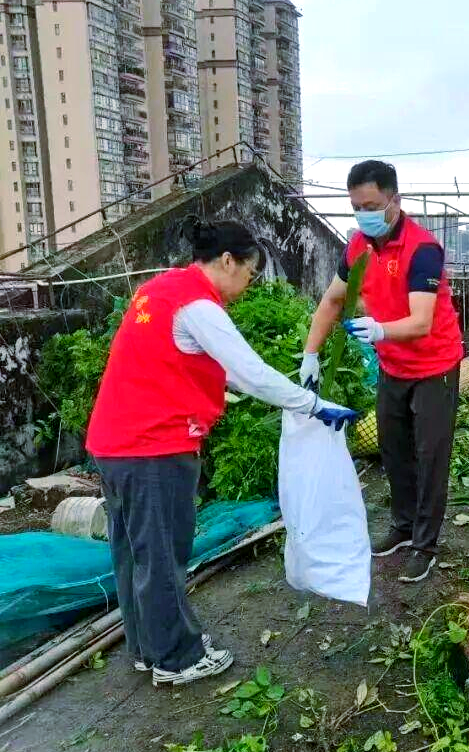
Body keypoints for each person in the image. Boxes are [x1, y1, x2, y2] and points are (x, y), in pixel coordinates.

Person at [85, 217, 358, 687]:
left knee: (134, 552)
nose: (247, 287)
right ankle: (177, 658)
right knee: (163, 554)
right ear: (228, 261)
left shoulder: (161, 288)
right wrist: (312, 404)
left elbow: (193, 362)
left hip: (114, 443)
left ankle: (148, 648)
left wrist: (217, 391)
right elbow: (249, 370)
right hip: (153, 446)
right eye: (249, 275)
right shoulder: (198, 304)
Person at [301, 160, 463, 583]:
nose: (363, 214)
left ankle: (425, 545)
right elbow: (333, 301)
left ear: (395, 201)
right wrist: (310, 355)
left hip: (434, 366)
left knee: (430, 456)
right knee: (393, 449)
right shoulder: (358, 247)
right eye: (356, 206)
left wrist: (379, 329)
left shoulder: (422, 248)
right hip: (394, 367)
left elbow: (421, 321)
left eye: (371, 205)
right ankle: (403, 526)